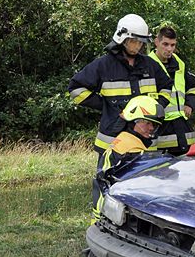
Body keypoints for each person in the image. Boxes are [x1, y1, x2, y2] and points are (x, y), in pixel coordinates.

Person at [68, 14, 173, 169]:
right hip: (113, 135)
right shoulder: (103, 65)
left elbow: (167, 86)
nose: (137, 46)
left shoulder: (150, 65)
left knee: (145, 180)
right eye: (134, 41)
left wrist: (155, 106)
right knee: (108, 179)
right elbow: (75, 88)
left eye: (141, 42)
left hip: (143, 136)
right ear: (122, 39)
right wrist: (105, 106)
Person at [92, 95, 165, 218]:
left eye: (153, 124)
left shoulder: (124, 140)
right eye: (147, 123)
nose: (151, 128)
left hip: (105, 216)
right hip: (114, 221)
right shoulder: (131, 149)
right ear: (133, 121)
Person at [148, 26, 195, 155]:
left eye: (172, 45)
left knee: (187, 165)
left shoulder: (179, 63)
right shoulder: (147, 64)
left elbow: (193, 86)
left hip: (181, 124)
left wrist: (190, 104)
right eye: (165, 44)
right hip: (159, 123)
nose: (169, 49)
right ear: (156, 42)